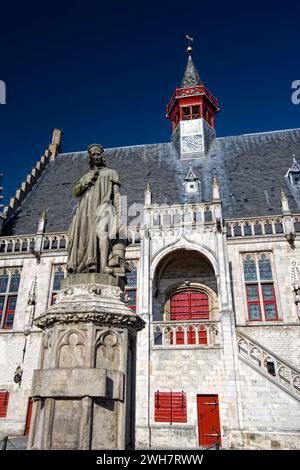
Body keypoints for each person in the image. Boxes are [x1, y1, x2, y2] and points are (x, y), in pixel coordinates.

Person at [67, 143, 120, 274]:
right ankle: (84, 265)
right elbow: (75, 192)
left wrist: (120, 215)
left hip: (104, 206)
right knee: (83, 238)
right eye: (93, 155)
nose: (96, 157)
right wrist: (86, 182)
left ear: (102, 156)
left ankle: (103, 266)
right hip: (85, 209)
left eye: (98, 154)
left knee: (103, 232)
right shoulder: (86, 176)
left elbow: (117, 195)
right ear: (90, 158)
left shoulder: (111, 173)